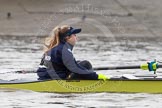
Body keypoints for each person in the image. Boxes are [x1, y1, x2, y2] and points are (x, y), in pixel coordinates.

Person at [36, 25, 108, 80]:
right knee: (85, 64)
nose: (76, 37)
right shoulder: (64, 49)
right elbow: (76, 68)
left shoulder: (55, 47)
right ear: (67, 38)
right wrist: (96, 76)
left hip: (43, 75)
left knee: (80, 63)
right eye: (74, 35)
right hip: (51, 77)